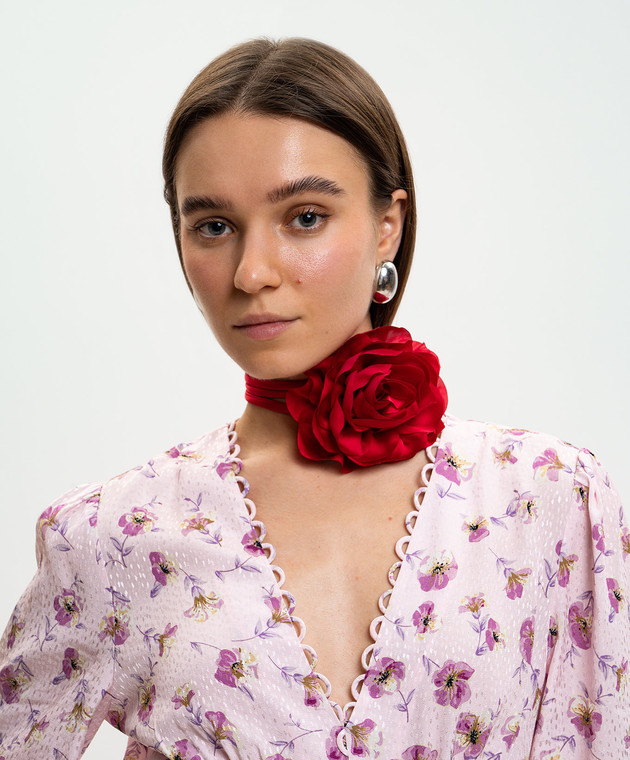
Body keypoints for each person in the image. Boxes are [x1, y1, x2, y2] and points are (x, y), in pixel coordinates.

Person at [0, 37, 628, 760]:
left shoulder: (548, 499)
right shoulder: (108, 540)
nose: (252, 272)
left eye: (304, 217)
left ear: (388, 225)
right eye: (213, 227)